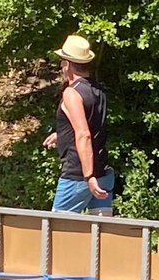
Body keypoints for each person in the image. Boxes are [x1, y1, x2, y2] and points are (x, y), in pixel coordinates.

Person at [41, 34, 115, 215]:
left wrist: (88, 176)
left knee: (56, 235)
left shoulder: (71, 93)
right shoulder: (98, 90)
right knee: (101, 238)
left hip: (78, 176)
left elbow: (84, 134)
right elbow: (92, 126)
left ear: (67, 64)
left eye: (62, 62)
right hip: (104, 174)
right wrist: (62, 135)